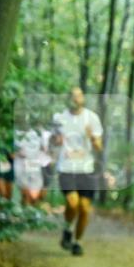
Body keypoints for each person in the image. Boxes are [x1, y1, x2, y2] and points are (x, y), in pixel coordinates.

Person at [52, 87, 103, 256]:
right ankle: (67, 229)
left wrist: (92, 137)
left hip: (86, 169)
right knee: (72, 203)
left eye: (79, 95)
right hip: (66, 167)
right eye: (72, 96)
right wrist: (56, 140)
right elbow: (54, 142)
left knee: (84, 208)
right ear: (69, 99)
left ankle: (77, 241)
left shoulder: (92, 118)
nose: (76, 98)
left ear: (83, 98)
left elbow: (99, 147)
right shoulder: (60, 118)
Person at [14, 120, 52, 206]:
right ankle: (26, 212)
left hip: (38, 164)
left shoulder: (43, 134)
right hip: (24, 164)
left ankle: (32, 211)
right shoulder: (16, 133)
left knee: (36, 196)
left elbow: (46, 149)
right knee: (26, 194)